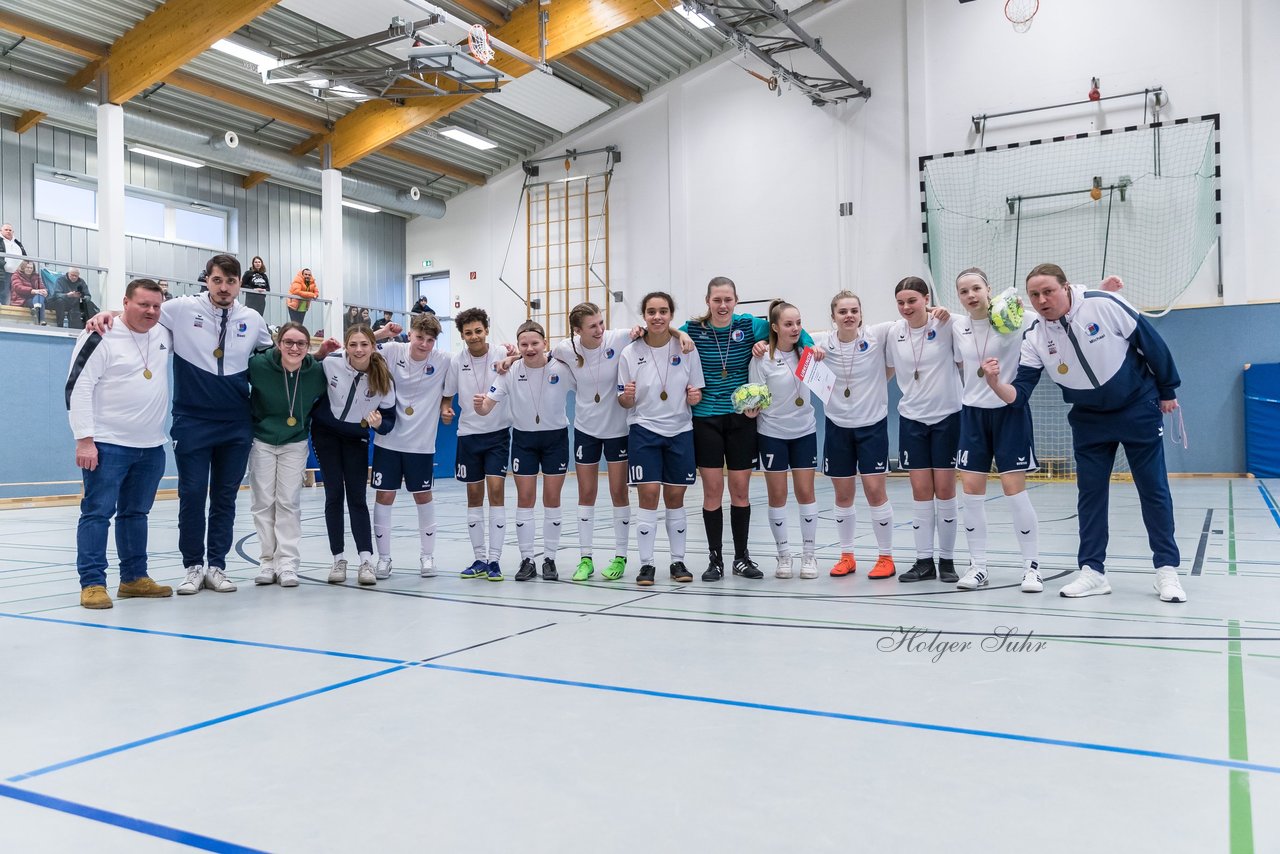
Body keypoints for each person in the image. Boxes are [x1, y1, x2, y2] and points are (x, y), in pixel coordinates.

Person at [983, 263, 1186, 602]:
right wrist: (994, 383)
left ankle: (1166, 570)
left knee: (1153, 490)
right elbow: (1020, 394)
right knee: (1090, 496)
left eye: (1048, 291)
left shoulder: (1103, 303)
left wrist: (1168, 390)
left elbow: (1152, 343)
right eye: (1034, 294)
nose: (1042, 299)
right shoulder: (1034, 335)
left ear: (1066, 287)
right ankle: (1092, 571)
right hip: (1089, 420)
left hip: (1137, 406)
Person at [85, 254, 276, 596]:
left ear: (239, 285)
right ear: (207, 279)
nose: (224, 288)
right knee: (191, 494)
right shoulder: (181, 308)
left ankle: (216, 565)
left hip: (236, 423)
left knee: (225, 498)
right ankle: (193, 566)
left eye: (231, 282)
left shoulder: (253, 318)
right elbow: (141, 312)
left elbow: (278, 359)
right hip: (192, 421)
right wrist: (107, 314)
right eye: (217, 280)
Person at [680, 276, 815, 582]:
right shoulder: (694, 330)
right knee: (712, 492)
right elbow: (664, 330)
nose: (723, 305)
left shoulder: (751, 325)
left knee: (740, 491)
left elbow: (794, 329)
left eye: (728, 300)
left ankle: (742, 557)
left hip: (742, 420)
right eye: (717, 300)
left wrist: (807, 346)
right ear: (707, 302)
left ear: (736, 300)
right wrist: (672, 332)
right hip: (706, 419)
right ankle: (715, 559)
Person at [66, 278, 174, 609]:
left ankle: (134, 578)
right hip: (108, 443)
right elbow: (78, 387)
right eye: (143, 304)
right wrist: (85, 440)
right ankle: (93, 583)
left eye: (156, 306)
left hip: (152, 445)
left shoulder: (164, 333)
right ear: (125, 303)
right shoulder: (100, 333)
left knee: (136, 514)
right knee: (97, 512)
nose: (151, 311)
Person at [950, 269, 1043, 593]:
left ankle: (1031, 567)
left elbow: (1055, 312)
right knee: (971, 493)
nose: (971, 295)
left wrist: (1102, 290)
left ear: (988, 289)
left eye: (976, 288)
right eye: (964, 291)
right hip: (972, 415)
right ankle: (978, 567)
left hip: (1009, 413)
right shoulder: (955, 325)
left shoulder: (1017, 316)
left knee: (1014, 492)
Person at [476, 320, 575, 581]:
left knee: (552, 499)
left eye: (535, 343)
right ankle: (527, 559)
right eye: (524, 344)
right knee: (525, 500)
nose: (530, 348)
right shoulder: (508, 371)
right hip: (524, 440)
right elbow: (487, 405)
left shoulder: (561, 369)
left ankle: (550, 559)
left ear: (545, 344)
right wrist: (479, 406)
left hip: (556, 439)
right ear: (518, 346)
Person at [619, 292, 705, 586]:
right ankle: (646, 565)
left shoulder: (686, 347)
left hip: (680, 431)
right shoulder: (630, 353)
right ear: (644, 315)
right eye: (652, 311)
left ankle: (678, 561)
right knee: (649, 495)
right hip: (644, 430)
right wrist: (626, 398)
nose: (657, 316)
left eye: (663, 311)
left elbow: (697, 391)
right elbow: (623, 401)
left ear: (671, 314)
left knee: (675, 497)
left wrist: (695, 396)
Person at [884, 277, 962, 584]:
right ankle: (923, 561)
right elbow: (886, 370)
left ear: (925, 299)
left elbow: (977, 321)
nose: (906, 307)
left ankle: (947, 560)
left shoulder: (946, 323)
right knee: (920, 493)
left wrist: (948, 312)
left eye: (912, 301)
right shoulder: (893, 333)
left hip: (947, 418)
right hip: (912, 419)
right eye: (900, 302)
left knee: (944, 491)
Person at [247, 322, 335, 588]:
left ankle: (287, 563)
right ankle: (266, 561)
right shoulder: (258, 366)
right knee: (263, 502)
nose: (294, 348)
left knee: (288, 502)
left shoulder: (317, 372)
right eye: (288, 342)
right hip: (261, 440)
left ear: (309, 348)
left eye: (300, 344)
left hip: (294, 442)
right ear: (278, 343)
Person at [553, 303, 636, 582]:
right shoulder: (566, 348)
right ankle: (585, 558)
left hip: (617, 429)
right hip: (585, 430)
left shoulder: (618, 338)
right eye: (592, 326)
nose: (600, 329)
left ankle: (621, 556)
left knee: (618, 492)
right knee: (586, 494)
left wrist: (680, 336)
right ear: (578, 331)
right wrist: (509, 357)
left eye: (601, 323)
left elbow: (655, 330)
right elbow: (540, 355)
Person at [819, 291, 898, 580]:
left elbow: (911, 318)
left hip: (872, 426)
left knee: (875, 492)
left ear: (862, 313)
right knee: (843, 495)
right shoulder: (821, 343)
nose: (849, 315)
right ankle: (847, 555)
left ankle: (886, 557)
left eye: (854, 310)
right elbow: (789, 336)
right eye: (842, 312)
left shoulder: (878, 335)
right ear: (833, 317)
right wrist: (762, 346)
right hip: (837, 426)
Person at [312, 324, 398, 585]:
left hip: (356, 437)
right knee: (334, 494)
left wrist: (378, 425)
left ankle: (365, 560)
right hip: (325, 433)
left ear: (373, 347)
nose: (358, 350)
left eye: (364, 344)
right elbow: (305, 367)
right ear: (346, 347)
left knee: (357, 498)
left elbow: (390, 420)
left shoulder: (383, 378)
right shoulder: (330, 363)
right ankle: (338, 559)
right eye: (353, 345)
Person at [371, 313, 455, 580]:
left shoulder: (442, 360)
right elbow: (356, 344)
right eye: (420, 338)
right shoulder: (393, 350)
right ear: (410, 334)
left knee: (423, 497)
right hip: (389, 441)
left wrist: (445, 406)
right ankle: (384, 559)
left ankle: (427, 556)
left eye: (430, 340)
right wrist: (382, 333)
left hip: (421, 444)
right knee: (384, 496)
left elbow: (472, 363)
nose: (424, 344)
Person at [746, 300, 821, 579]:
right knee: (777, 496)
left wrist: (819, 349)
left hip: (804, 432)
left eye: (799, 323)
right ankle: (784, 556)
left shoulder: (809, 353)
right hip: (772, 434)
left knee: (806, 493)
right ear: (775, 327)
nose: (795, 328)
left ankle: (809, 556)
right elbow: (754, 396)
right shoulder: (761, 358)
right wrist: (751, 408)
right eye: (788, 324)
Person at [448, 308, 511, 581]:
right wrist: (445, 410)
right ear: (462, 335)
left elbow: (524, 356)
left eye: (478, 331)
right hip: (468, 435)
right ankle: (479, 558)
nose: (474, 336)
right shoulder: (456, 361)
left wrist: (512, 357)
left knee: (496, 490)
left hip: (497, 433)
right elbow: (447, 394)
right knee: (474, 497)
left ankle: (495, 559)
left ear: (486, 330)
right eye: (468, 332)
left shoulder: (500, 353)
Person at [9, 259, 47, 324]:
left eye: (31, 268)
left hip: (34, 299)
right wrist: (33, 291)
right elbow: (18, 288)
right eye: (27, 267)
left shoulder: (36, 276)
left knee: (40, 296)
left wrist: (44, 291)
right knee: (40, 301)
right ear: (23, 267)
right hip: (21, 300)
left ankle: (36, 308)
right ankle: (42, 320)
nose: (29, 269)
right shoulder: (16, 275)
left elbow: (41, 287)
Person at [1, 222, 28, 306]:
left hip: (17, 274)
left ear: (13, 232)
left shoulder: (17, 243)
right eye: (6, 230)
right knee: (3, 292)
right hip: (4, 272)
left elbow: (25, 256)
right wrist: (3, 264)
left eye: (10, 230)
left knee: (16, 293)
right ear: (0, 231)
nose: (8, 231)